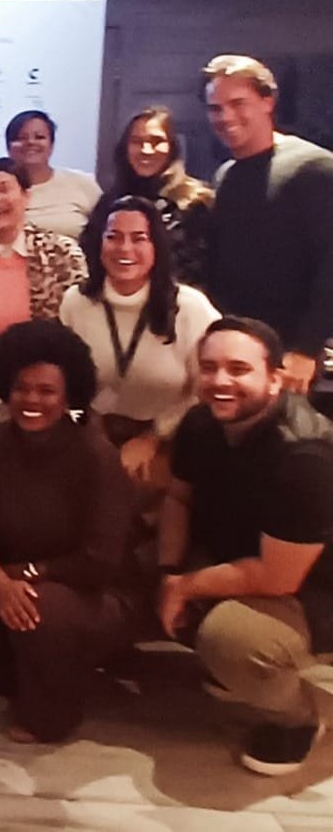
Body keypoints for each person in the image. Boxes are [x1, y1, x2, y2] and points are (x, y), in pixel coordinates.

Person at [0, 320, 136, 744]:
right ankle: (38, 679)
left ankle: (51, 716)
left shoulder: (96, 456)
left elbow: (101, 561)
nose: (32, 400)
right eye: (22, 388)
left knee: (39, 612)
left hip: (93, 592)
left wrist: (26, 576)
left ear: (68, 395)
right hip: (12, 582)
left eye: (46, 391)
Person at [158, 317, 333, 775]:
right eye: (209, 367)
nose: (220, 381)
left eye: (238, 369)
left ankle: (298, 718)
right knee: (134, 560)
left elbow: (278, 577)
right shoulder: (201, 422)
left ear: (275, 377)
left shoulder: (304, 454)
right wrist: (168, 571)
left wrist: (184, 588)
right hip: (239, 555)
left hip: (312, 589)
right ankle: (232, 666)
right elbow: (178, 498)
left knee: (234, 641)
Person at [61, 196, 219, 507]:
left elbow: (206, 391)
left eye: (138, 238)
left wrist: (154, 437)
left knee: (132, 492)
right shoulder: (76, 302)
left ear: (156, 246)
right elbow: (71, 382)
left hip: (171, 432)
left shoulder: (190, 308)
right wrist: (92, 430)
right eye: (113, 237)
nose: (125, 248)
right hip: (97, 428)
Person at [203, 54, 333, 395]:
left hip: (294, 360)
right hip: (239, 354)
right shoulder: (225, 175)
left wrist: (306, 350)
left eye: (237, 103)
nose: (225, 116)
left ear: (268, 101)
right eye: (215, 108)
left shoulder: (315, 167)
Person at [0, 159, 88, 412]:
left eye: (3, 189)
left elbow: (79, 331)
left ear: (26, 196)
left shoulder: (63, 253)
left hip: (55, 394)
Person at [81, 105, 213, 289]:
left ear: (172, 147)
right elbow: (90, 257)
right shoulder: (109, 202)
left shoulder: (195, 201)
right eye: (136, 141)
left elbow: (204, 270)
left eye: (156, 141)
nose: (146, 150)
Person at [5, 109, 101, 240]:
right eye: (21, 138)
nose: (30, 142)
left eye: (39, 137)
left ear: (51, 145)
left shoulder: (82, 183)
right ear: (9, 147)